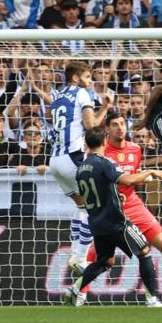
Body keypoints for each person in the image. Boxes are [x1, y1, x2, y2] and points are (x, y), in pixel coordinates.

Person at [76, 111, 162, 305]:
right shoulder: (100, 153)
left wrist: (154, 175)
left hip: (134, 205)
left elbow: (134, 179)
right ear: (107, 129)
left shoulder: (135, 149)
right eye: (115, 124)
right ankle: (80, 294)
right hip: (112, 211)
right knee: (97, 257)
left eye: (122, 123)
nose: (120, 127)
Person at [59, 125, 162, 308]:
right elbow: (126, 179)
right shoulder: (104, 162)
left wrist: (116, 196)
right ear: (104, 141)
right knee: (144, 252)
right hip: (115, 221)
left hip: (96, 222)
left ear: (86, 143)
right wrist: (150, 172)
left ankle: (75, 289)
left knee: (104, 261)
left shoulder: (81, 169)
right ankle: (152, 300)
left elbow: (94, 193)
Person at [47, 61, 106, 274]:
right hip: (74, 156)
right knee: (96, 207)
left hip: (55, 161)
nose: (91, 81)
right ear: (75, 78)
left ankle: (75, 253)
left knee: (82, 206)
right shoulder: (82, 93)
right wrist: (104, 110)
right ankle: (80, 258)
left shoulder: (57, 98)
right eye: (88, 76)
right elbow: (91, 127)